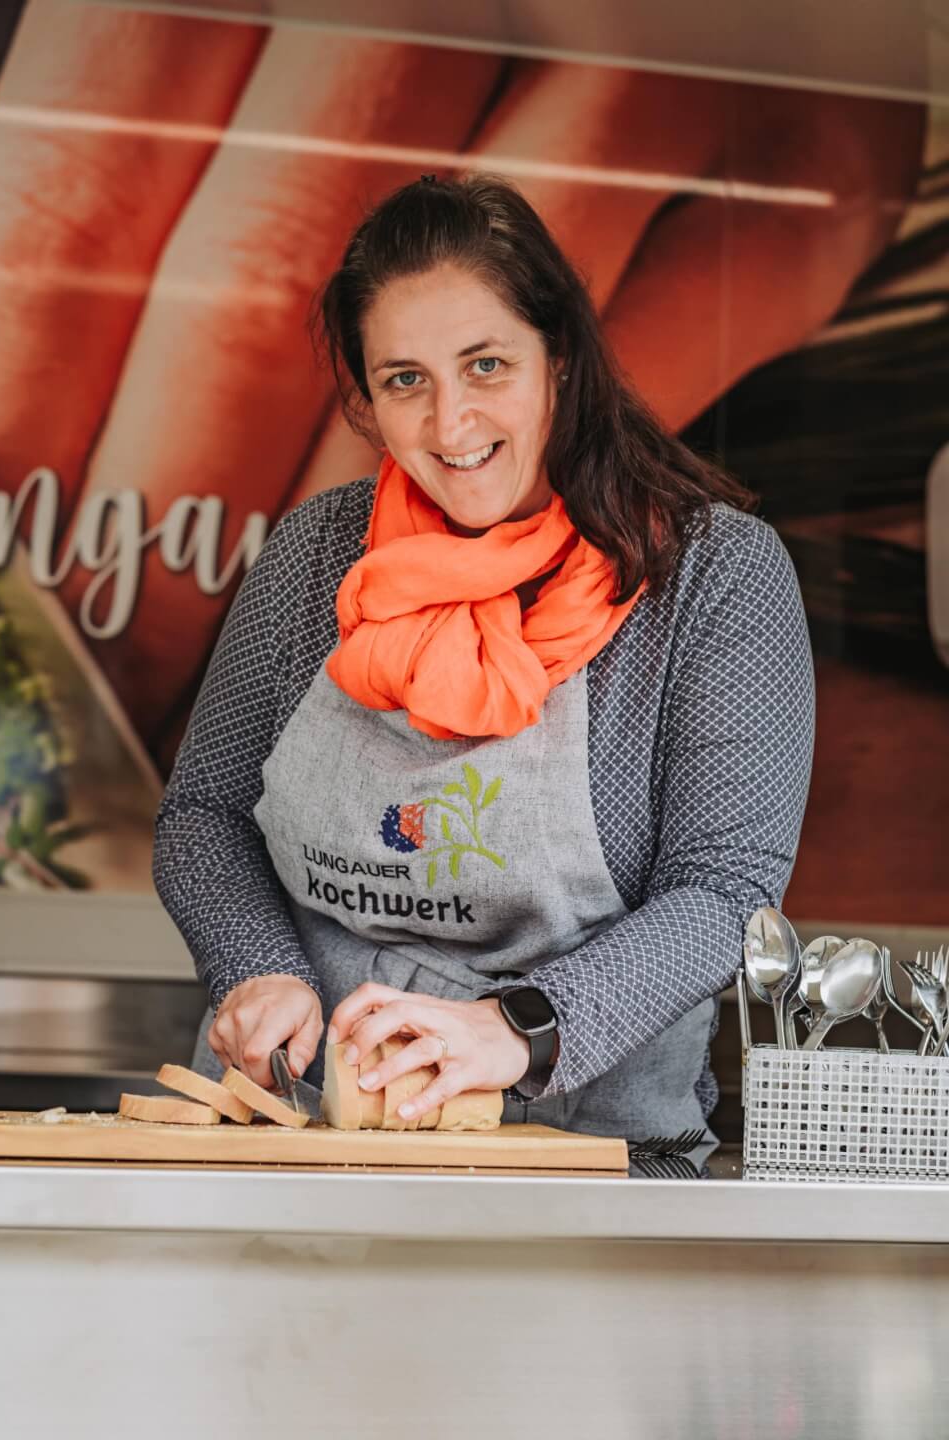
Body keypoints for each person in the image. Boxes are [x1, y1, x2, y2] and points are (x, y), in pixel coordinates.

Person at [152, 173, 815, 1139]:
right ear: (368, 398)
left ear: (561, 360)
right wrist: (258, 969)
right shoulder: (318, 555)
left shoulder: (713, 576)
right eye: (405, 380)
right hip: (299, 1132)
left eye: (487, 365)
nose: (451, 423)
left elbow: (726, 891)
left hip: (586, 1150)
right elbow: (204, 815)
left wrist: (520, 1029)